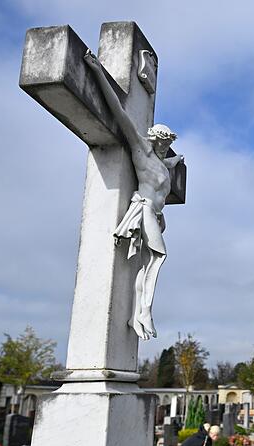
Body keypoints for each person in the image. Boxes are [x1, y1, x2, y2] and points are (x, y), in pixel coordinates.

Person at [83, 50, 185, 341]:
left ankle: (135, 312)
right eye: (163, 143)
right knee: (158, 256)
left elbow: (169, 164)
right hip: (142, 208)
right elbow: (118, 110)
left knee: (145, 264)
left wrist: (177, 161)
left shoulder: (162, 162)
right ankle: (144, 312)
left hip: (156, 215)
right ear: (154, 138)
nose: (165, 149)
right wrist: (96, 71)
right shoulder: (141, 150)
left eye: (168, 146)